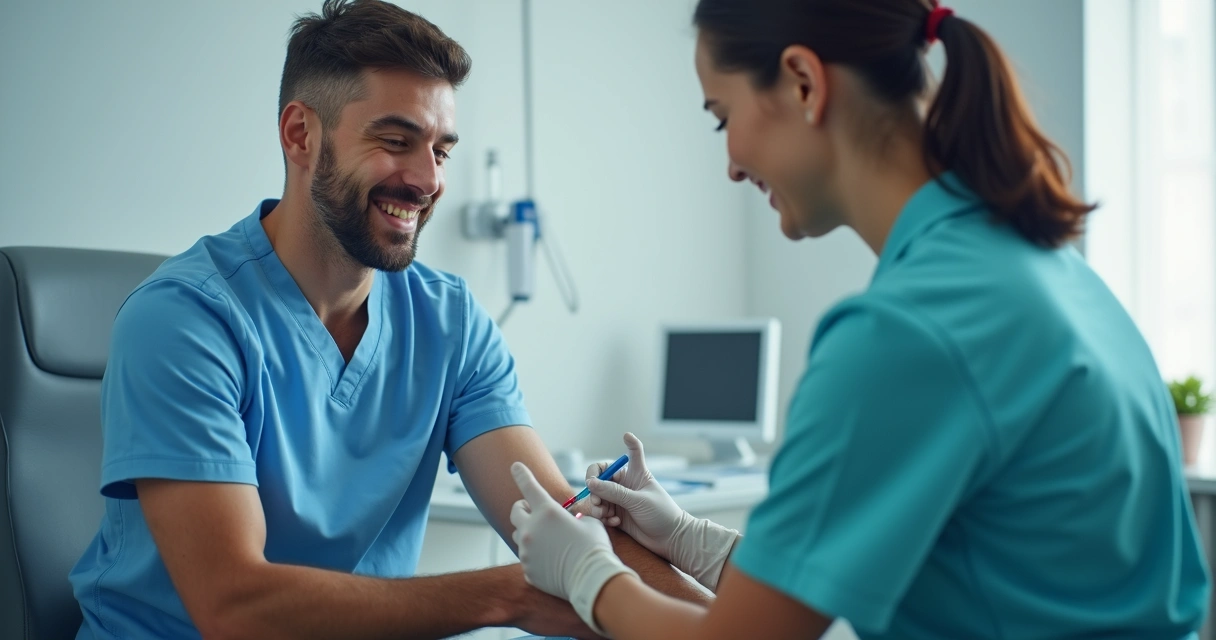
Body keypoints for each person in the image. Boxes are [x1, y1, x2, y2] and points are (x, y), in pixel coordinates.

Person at [507, 1, 1212, 638]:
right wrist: (688, 537)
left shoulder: (907, 331)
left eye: (723, 118)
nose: (730, 165)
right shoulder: (1049, 269)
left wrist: (586, 575)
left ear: (803, 83)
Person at [67, 1, 708, 638]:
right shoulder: (184, 320)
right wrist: (511, 596)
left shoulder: (449, 322)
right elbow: (235, 607)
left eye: (442, 152)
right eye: (396, 142)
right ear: (301, 135)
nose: (427, 180)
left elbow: (563, 527)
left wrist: (722, 625)